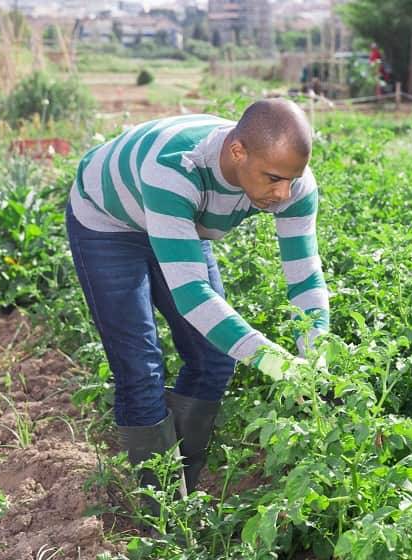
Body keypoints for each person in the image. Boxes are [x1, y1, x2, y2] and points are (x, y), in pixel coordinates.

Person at [65, 99, 329, 505]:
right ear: (237, 151)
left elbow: (304, 274)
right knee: (140, 368)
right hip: (109, 223)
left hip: (180, 225)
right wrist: (274, 361)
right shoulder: (175, 168)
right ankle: (161, 512)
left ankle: (182, 488)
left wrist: (315, 356)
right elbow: (193, 298)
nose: (283, 193)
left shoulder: (290, 180)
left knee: (214, 358)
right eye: (273, 178)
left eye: (291, 180)